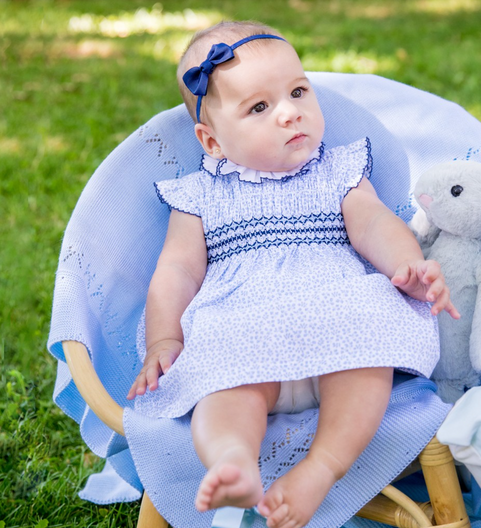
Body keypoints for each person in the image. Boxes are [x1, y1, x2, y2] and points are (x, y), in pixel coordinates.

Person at [127, 20, 460, 528]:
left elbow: (373, 223)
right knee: (222, 384)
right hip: (246, 337)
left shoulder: (339, 170)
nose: (290, 112)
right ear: (211, 141)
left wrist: (405, 265)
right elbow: (175, 270)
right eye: (260, 108)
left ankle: (321, 467)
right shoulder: (197, 195)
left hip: (336, 329)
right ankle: (233, 459)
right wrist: (163, 338)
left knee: (367, 354)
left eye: (299, 91)